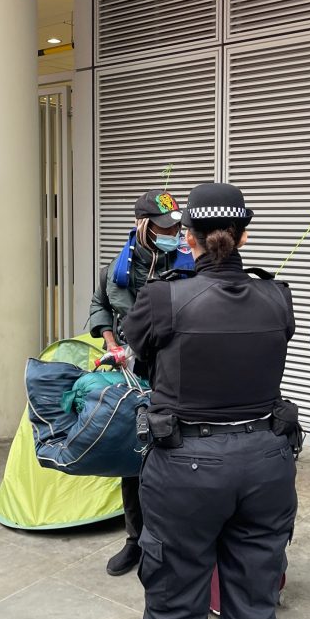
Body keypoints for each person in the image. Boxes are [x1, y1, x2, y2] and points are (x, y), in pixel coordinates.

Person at [123, 182, 299, 619]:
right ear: (243, 237)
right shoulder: (278, 296)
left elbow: (138, 350)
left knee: (175, 613)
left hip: (186, 466)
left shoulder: (164, 297)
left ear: (188, 237)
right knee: (255, 611)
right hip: (267, 462)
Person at [87, 188, 192, 576]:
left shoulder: (188, 263)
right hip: (130, 373)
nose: (173, 233)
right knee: (133, 457)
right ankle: (136, 539)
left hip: (173, 373)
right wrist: (111, 341)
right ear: (143, 226)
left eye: (177, 226)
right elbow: (99, 303)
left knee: (172, 456)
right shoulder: (116, 268)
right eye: (165, 227)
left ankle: (169, 542)